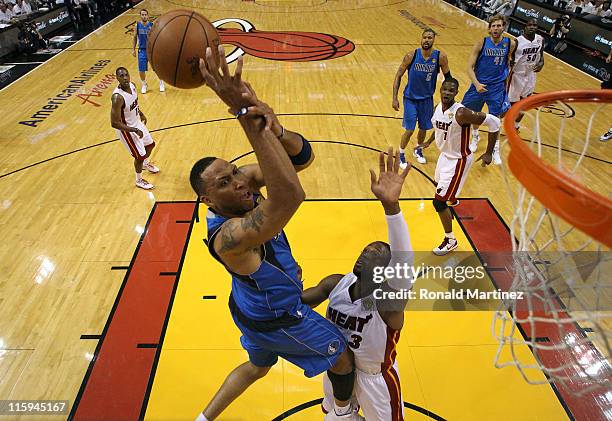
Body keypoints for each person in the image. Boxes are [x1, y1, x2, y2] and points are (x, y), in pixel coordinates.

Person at [191, 46, 362, 421]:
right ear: (208, 200)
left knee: (257, 367)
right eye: (225, 182)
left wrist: (273, 124)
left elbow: (302, 158)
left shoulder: (243, 189)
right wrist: (241, 115)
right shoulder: (230, 238)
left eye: (236, 171)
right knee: (343, 358)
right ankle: (341, 413)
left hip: (250, 308)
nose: (240, 181)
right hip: (275, 318)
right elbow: (290, 195)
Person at [302, 148, 413, 421]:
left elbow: (404, 269)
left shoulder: (385, 304)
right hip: (338, 367)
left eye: (374, 255)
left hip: (375, 379)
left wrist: (391, 208)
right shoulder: (335, 284)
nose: (364, 255)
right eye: (365, 250)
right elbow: (296, 304)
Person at [422, 78, 500, 255]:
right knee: (441, 188)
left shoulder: (462, 113)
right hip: (445, 157)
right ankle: (453, 197)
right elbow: (439, 129)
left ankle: (450, 240)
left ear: (456, 93)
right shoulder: (437, 107)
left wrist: (489, 152)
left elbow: (495, 122)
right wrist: (428, 142)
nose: (447, 93)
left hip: (458, 160)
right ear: (440, 89)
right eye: (445, 89)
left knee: (439, 203)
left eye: (451, 90)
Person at [392, 28, 451, 167]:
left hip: (427, 99)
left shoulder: (440, 57)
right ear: (421, 39)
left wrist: (447, 98)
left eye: (430, 38)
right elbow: (398, 75)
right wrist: (394, 98)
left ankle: (418, 150)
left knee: (424, 128)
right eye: (425, 37)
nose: (426, 40)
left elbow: (449, 79)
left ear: (434, 40)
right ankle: (400, 153)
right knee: (410, 129)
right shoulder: (411, 55)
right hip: (410, 98)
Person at [463, 14, 515, 165]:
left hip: (497, 87)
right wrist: (477, 84)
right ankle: (475, 135)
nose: (496, 28)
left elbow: (509, 63)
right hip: (479, 85)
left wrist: (505, 80)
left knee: (496, 119)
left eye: (499, 25)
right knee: (474, 114)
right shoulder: (481, 43)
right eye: (494, 26)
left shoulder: (510, 44)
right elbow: (469, 67)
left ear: (503, 27)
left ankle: (495, 149)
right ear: (489, 28)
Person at [110, 67, 160, 190]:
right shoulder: (117, 97)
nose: (125, 77)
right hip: (126, 129)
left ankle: (145, 164)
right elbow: (114, 123)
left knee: (150, 145)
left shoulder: (132, 86)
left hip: (137, 123)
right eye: (121, 76)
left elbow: (134, 103)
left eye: (126, 74)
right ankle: (139, 180)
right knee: (139, 156)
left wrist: (141, 113)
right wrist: (134, 130)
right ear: (117, 78)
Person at [507, 19, 544, 130]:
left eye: (535, 25)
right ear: (525, 27)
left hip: (530, 74)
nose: (532, 27)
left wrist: (541, 63)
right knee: (511, 104)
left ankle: (516, 125)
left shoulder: (540, 39)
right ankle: (503, 122)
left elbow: (541, 55)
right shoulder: (517, 41)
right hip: (516, 75)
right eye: (530, 24)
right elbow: (509, 58)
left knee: (525, 102)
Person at [133, 9, 164, 94]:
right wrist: (133, 49)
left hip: (151, 50)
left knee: (156, 68)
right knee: (141, 69)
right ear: (140, 16)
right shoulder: (137, 25)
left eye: (145, 14)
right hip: (142, 50)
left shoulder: (152, 25)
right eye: (142, 14)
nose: (144, 16)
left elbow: (156, 37)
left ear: (148, 15)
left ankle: (161, 82)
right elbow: (135, 37)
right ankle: (144, 84)